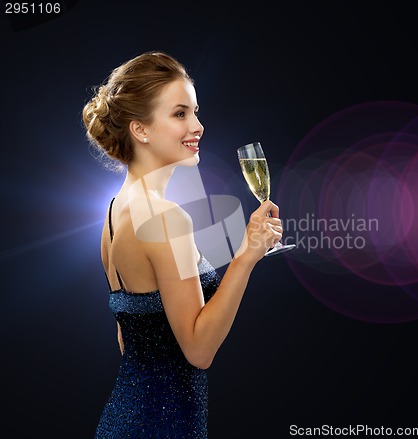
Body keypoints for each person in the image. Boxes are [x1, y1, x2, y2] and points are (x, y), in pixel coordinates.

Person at [82, 51, 282, 438]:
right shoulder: (165, 216)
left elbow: (129, 336)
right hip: (164, 425)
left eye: (195, 111)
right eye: (180, 114)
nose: (198, 126)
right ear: (140, 130)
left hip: (127, 418)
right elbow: (198, 351)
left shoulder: (113, 211)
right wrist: (246, 257)